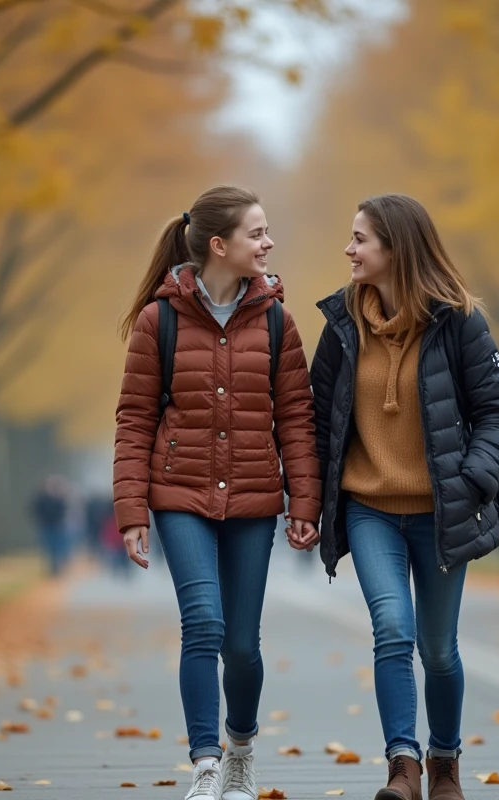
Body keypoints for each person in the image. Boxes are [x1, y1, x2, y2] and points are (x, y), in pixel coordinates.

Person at [113, 186, 322, 800]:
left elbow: (297, 419)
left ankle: (241, 751)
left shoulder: (278, 321)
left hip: (254, 499)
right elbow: (134, 419)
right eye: (257, 233)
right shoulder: (159, 321)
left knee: (242, 646)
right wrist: (132, 510)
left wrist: (304, 503)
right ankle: (206, 764)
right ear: (219, 245)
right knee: (202, 622)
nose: (268, 243)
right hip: (180, 495)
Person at [311, 194, 499, 800]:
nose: (349, 250)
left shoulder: (459, 322)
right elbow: (317, 419)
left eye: (360, 239)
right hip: (369, 508)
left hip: (440, 512)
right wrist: (306, 501)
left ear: (396, 247)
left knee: (439, 650)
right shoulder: (342, 324)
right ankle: (401, 766)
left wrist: (472, 478)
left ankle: (444, 763)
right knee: (392, 629)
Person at [30, 475, 69, 576]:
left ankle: (58, 566)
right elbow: (35, 511)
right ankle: (53, 567)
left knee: (59, 547)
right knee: (49, 548)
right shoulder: (41, 498)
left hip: (58, 526)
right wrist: (40, 520)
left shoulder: (60, 498)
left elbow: (64, 511)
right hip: (46, 526)